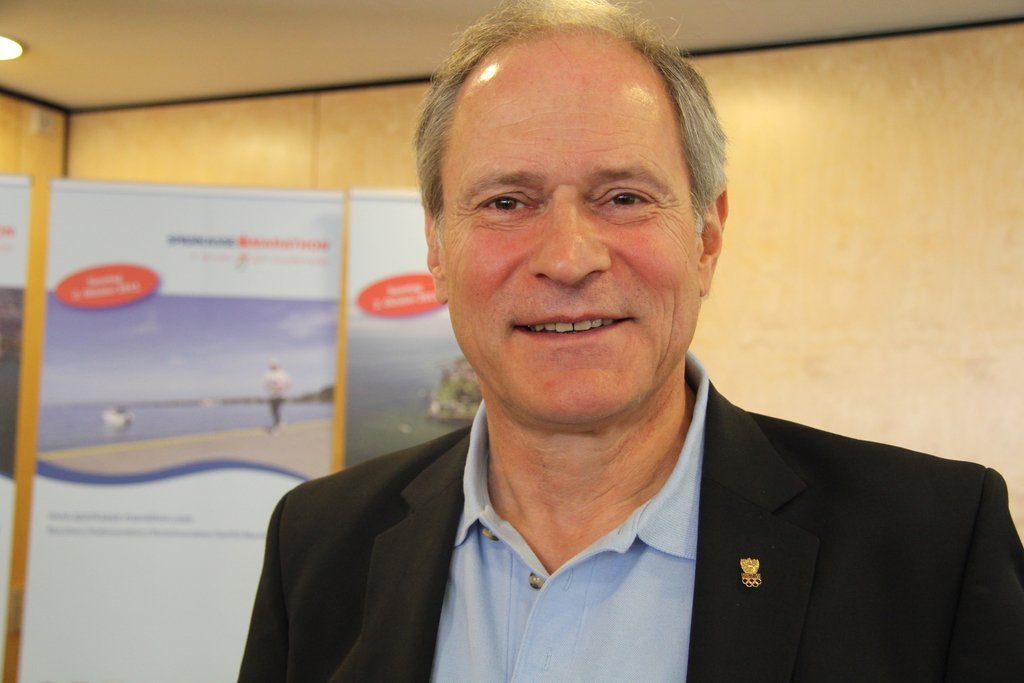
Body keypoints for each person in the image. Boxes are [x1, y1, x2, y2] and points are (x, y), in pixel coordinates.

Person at [239, 1, 1024, 680]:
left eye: (622, 196)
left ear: (707, 237)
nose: (568, 258)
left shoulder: (932, 549)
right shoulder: (318, 545)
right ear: (438, 250)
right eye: (508, 201)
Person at [263, 359, 291, 435]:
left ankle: (276, 428)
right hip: (272, 395)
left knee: (276, 410)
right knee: (273, 411)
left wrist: (283, 388)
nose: (273, 367)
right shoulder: (268, 374)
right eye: (272, 365)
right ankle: (281, 422)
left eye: (275, 365)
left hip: (281, 395)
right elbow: (265, 384)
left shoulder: (282, 373)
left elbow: (289, 383)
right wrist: (271, 387)